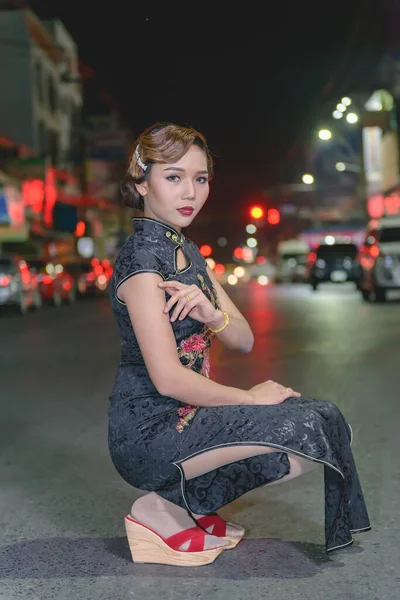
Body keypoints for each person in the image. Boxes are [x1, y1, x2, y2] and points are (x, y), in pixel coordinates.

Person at [108, 122, 370, 567]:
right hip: (150, 434)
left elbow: (244, 339)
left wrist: (213, 316)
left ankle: (189, 505)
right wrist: (250, 400)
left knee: (327, 425)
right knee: (301, 429)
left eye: (201, 178)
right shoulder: (140, 264)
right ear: (140, 181)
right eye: (173, 177)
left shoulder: (188, 252)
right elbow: (169, 379)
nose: (190, 191)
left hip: (192, 419)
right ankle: (160, 511)